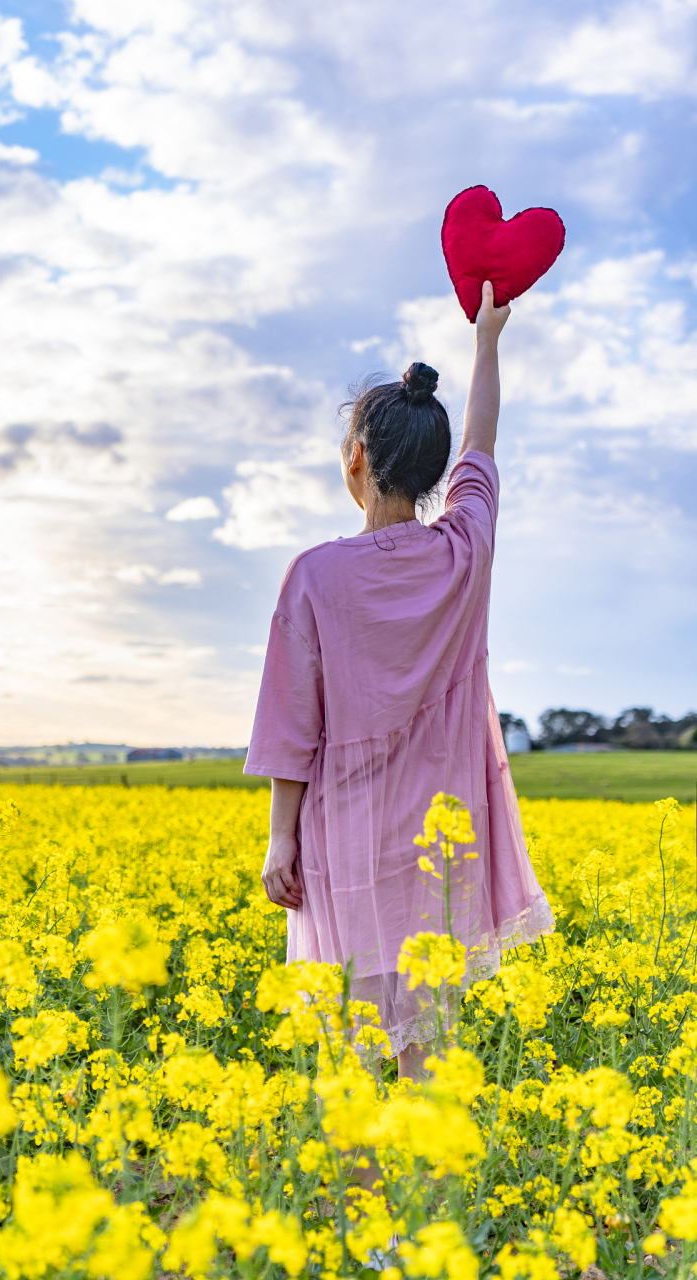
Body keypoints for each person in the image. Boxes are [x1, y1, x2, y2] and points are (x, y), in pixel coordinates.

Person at [243, 281, 554, 1079]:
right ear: (435, 471)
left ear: (356, 460)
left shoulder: (312, 577)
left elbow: (291, 724)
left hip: (343, 842)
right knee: (423, 1044)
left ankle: (358, 1202)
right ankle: (420, 1196)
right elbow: (483, 442)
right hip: (437, 848)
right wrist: (487, 344)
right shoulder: (465, 552)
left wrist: (281, 836)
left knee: (348, 1051)